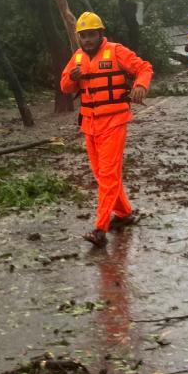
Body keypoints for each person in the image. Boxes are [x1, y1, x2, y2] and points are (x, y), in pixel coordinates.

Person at [60, 12, 153, 247]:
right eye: (83, 36)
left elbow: (144, 68)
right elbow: (64, 86)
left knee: (108, 175)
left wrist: (141, 85)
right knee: (102, 175)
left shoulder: (116, 51)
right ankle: (123, 213)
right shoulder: (77, 58)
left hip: (114, 122)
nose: (87, 40)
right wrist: (72, 78)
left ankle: (100, 229)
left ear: (100, 34)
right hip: (89, 125)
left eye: (91, 35)